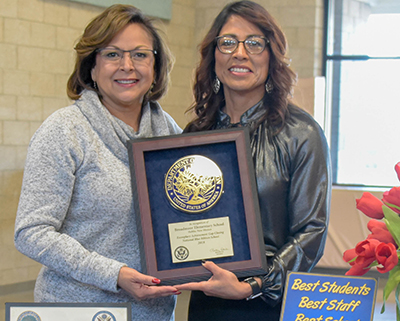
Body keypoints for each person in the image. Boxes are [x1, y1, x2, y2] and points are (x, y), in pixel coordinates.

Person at [14, 5, 182, 321]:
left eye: (140, 55)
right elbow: (31, 231)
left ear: (156, 68)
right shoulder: (64, 131)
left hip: (154, 313)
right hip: (76, 309)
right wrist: (113, 273)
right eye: (113, 54)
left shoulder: (170, 132)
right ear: (91, 66)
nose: (127, 66)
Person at [176, 1, 332, 320]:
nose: (240, 53)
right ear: (214, 56)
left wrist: (255, 284)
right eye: (228, 42)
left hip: (270, 303)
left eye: (255, 43)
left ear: (271, 56)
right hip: (207, 301)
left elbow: (311, 231)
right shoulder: (195, 132)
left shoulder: (302, 133)